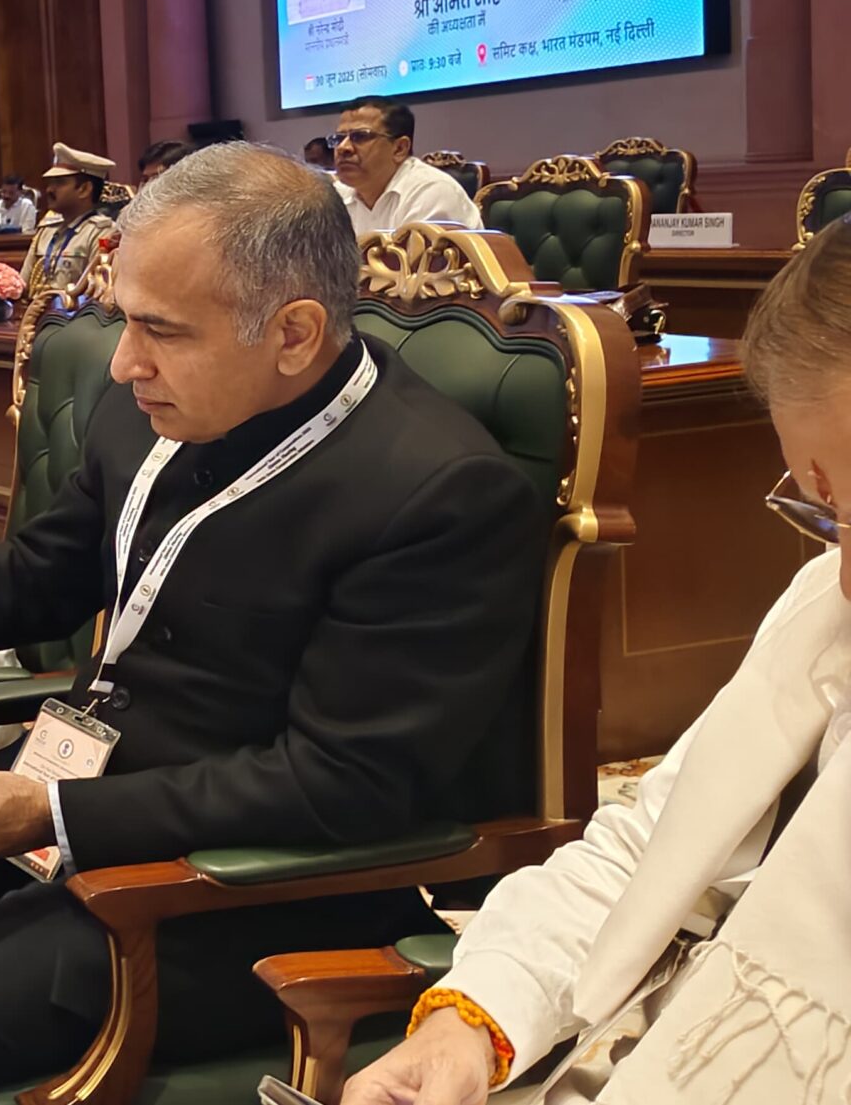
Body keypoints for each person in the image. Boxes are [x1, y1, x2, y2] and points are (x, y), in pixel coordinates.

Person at [0, 146, 548, 1099]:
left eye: (161, 330)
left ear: (294, 333)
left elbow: (342, 782)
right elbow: (37, 578)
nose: (122, 363)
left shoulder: (435, 493)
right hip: (73, 813)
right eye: (124, 318)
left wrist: (56, 812)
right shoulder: (151, 409)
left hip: (242, 895)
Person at [347, 225, 851, 1105]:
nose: (844, 573)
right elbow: (650, 846)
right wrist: (473, 1020)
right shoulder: (824, 598)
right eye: (825, 510)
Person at [332, 96, 482, 235]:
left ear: (400, 149)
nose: (343, 147)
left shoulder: (431, 192)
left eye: (360, 137)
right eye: (338, 139)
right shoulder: (337, 195)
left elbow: (416, 256)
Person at [26, 143, 116, 299]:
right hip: (35, 309)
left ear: (84, 189)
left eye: (59, 183)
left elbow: (97, 292)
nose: (49, 190)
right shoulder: (46, 230)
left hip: (74, 312)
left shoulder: (102, 232)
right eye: (50, 183)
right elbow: (23, 283)